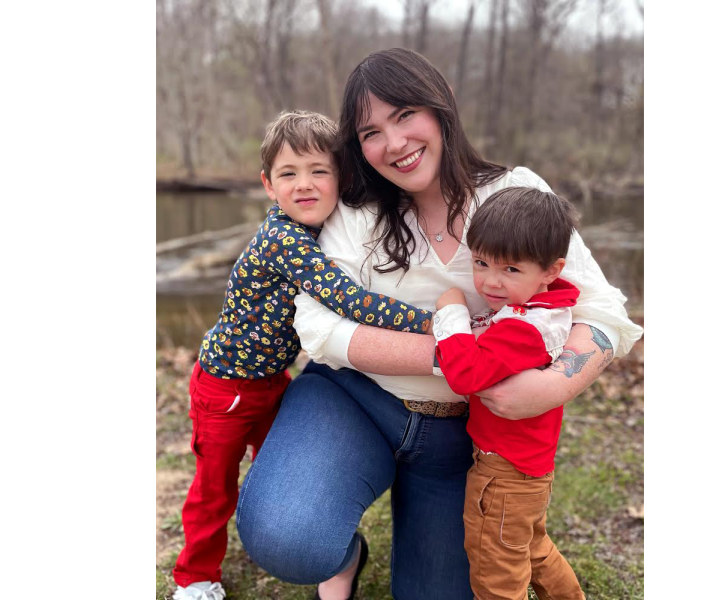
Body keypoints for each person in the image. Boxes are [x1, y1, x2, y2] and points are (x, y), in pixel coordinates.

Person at [236, 49, 643, 600]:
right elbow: (318, 328)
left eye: (405, 115)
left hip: (465, 438)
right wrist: (455, 354)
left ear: (441, 105)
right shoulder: (352, 209)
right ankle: (343, 555)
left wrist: (554, 384)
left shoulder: (514, 193)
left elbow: (600, 310)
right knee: (290, 537)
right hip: (354, 400)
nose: (395, 143)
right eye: (371, 132)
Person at [172, 110, 431, 600]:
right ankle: (195, 578)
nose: (304, 184)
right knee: (215, 487)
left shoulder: (325, 228)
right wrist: (428, 323)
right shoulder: (284, 239)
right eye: (289, 174)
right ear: (268, 185)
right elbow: (349, 301)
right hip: (227, 387)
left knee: (282, 471)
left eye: (319, 171)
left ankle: (321, 540)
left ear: (341, 177)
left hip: (273, 382)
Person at [434, 187, 586, 600]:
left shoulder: (524, 328)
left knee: (495, 571)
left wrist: (451, 313)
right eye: (480, 263)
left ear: (551, 270)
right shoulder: (546, 306)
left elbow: (465, 373)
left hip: (503, 473)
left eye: (511, 270)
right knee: (531, 549)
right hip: (529, 468)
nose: (489, 282)